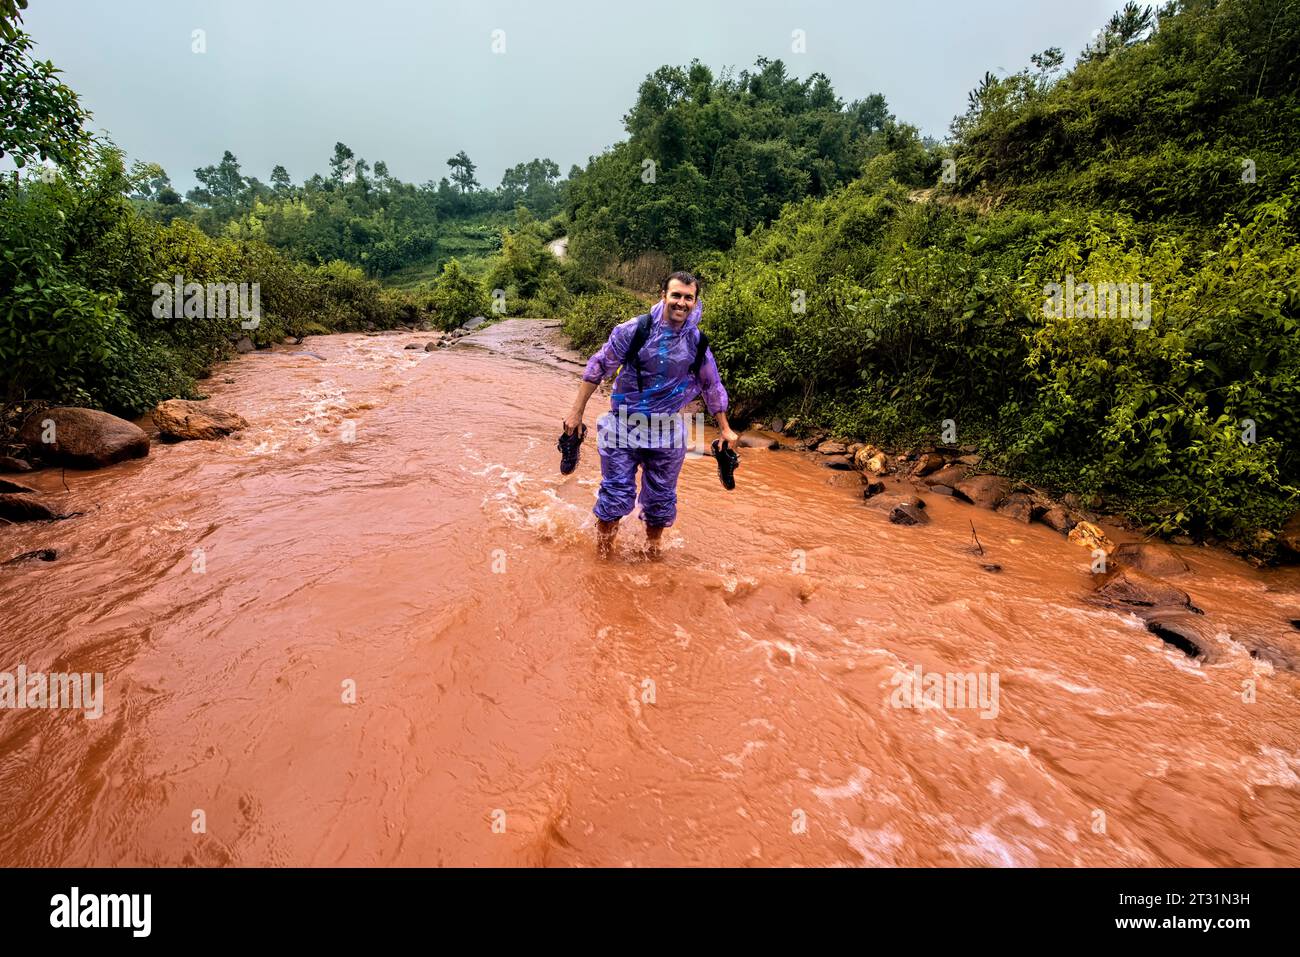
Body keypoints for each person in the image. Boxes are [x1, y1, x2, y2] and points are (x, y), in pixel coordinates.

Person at [563, 271, 738, 558]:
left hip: (667, 431)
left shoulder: (697, 342)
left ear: (695, 302)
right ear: (664, 296)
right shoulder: (634, 330)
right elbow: (598, 367)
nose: (681, 303)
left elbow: (711, 384)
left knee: (660, 502)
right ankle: (603, 557)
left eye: (688, 297)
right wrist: (575, 413)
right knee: (616, 494)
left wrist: (725, 429)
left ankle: (652, 554)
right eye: (676, 295)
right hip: (623, 427)